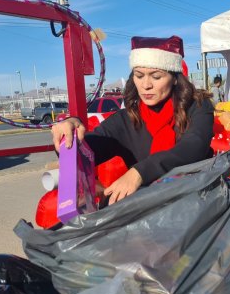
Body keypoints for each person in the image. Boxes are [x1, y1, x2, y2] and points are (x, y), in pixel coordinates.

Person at [51, 36, 214, 205]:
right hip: (148, 211)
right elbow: (87, 151)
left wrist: (140, 172)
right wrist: (69, 135)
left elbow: (193, 147)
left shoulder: (198, 107)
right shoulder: (127, 118)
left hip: (197, 204)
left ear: (174, 78)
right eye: (139, 75)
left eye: (156, 76)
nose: (146, 85)